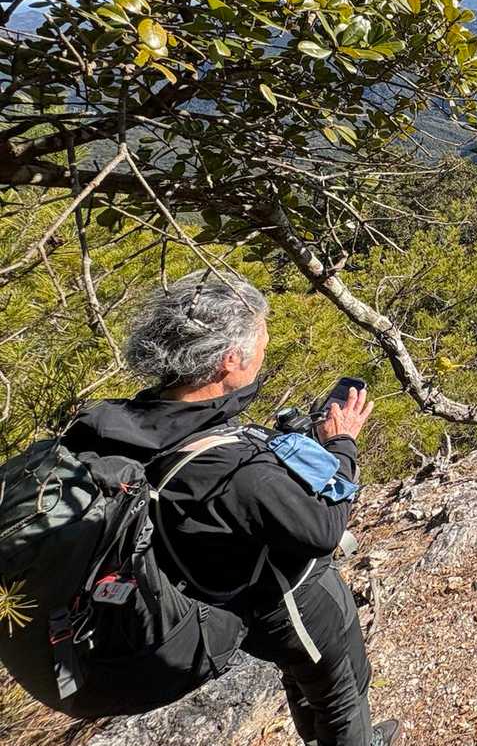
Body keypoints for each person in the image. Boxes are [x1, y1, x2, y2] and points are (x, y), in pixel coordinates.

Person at [63, 271, 402, 746]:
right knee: (340, 692)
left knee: (305, 678)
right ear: (229, 359)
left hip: (230, 596)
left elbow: (231, 496)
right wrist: (342, 444)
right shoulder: (230, 470)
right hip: (288, 600)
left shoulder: (136, 421)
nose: (266, 346)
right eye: (262, 338)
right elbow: (324, 526)